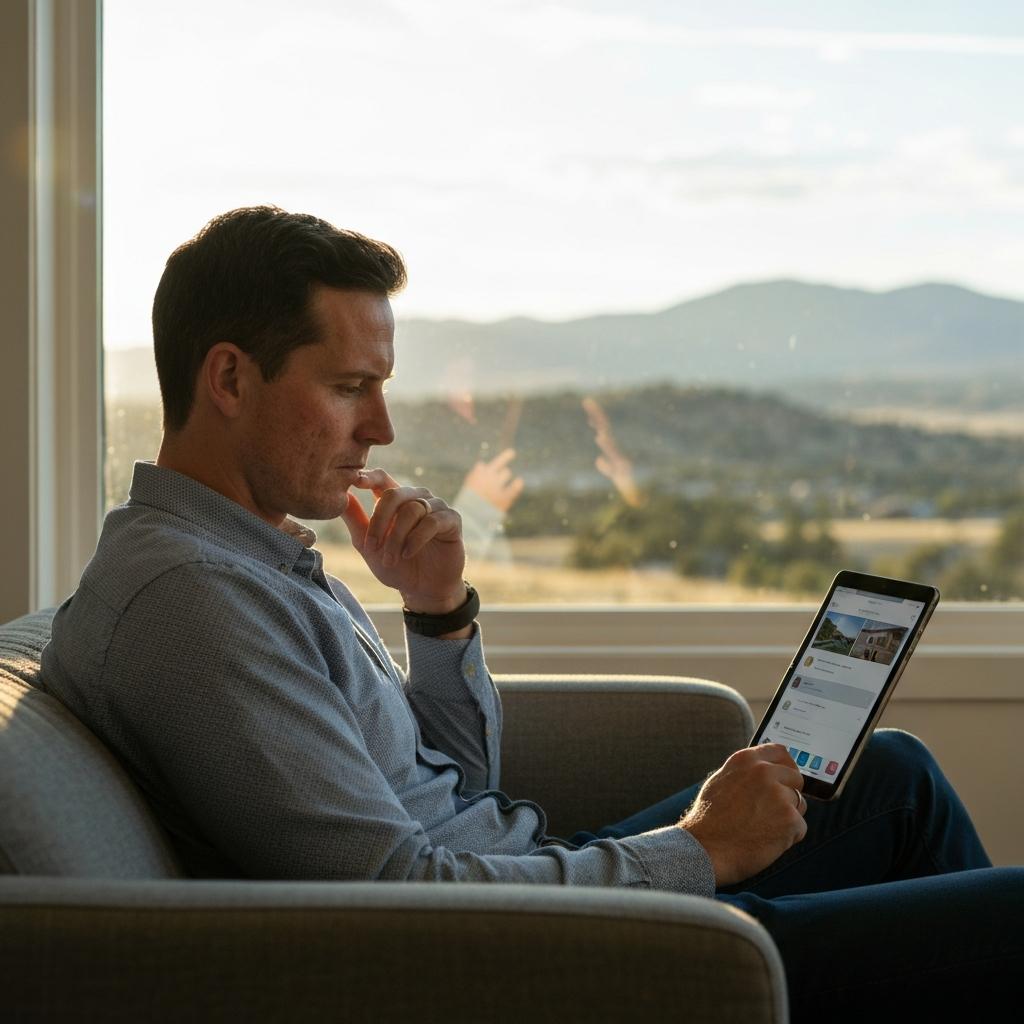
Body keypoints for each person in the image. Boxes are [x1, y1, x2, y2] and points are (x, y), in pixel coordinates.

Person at [41, 207, 1022, 1021]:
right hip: (528, 956)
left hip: (512, 877)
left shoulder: (255, 553)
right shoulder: (193, 602)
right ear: (227, 378)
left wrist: (436, 613)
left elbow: (450, 785)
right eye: (349, 389)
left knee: (889, 775)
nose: (381, 428)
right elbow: (396, 902)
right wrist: (702, 851)